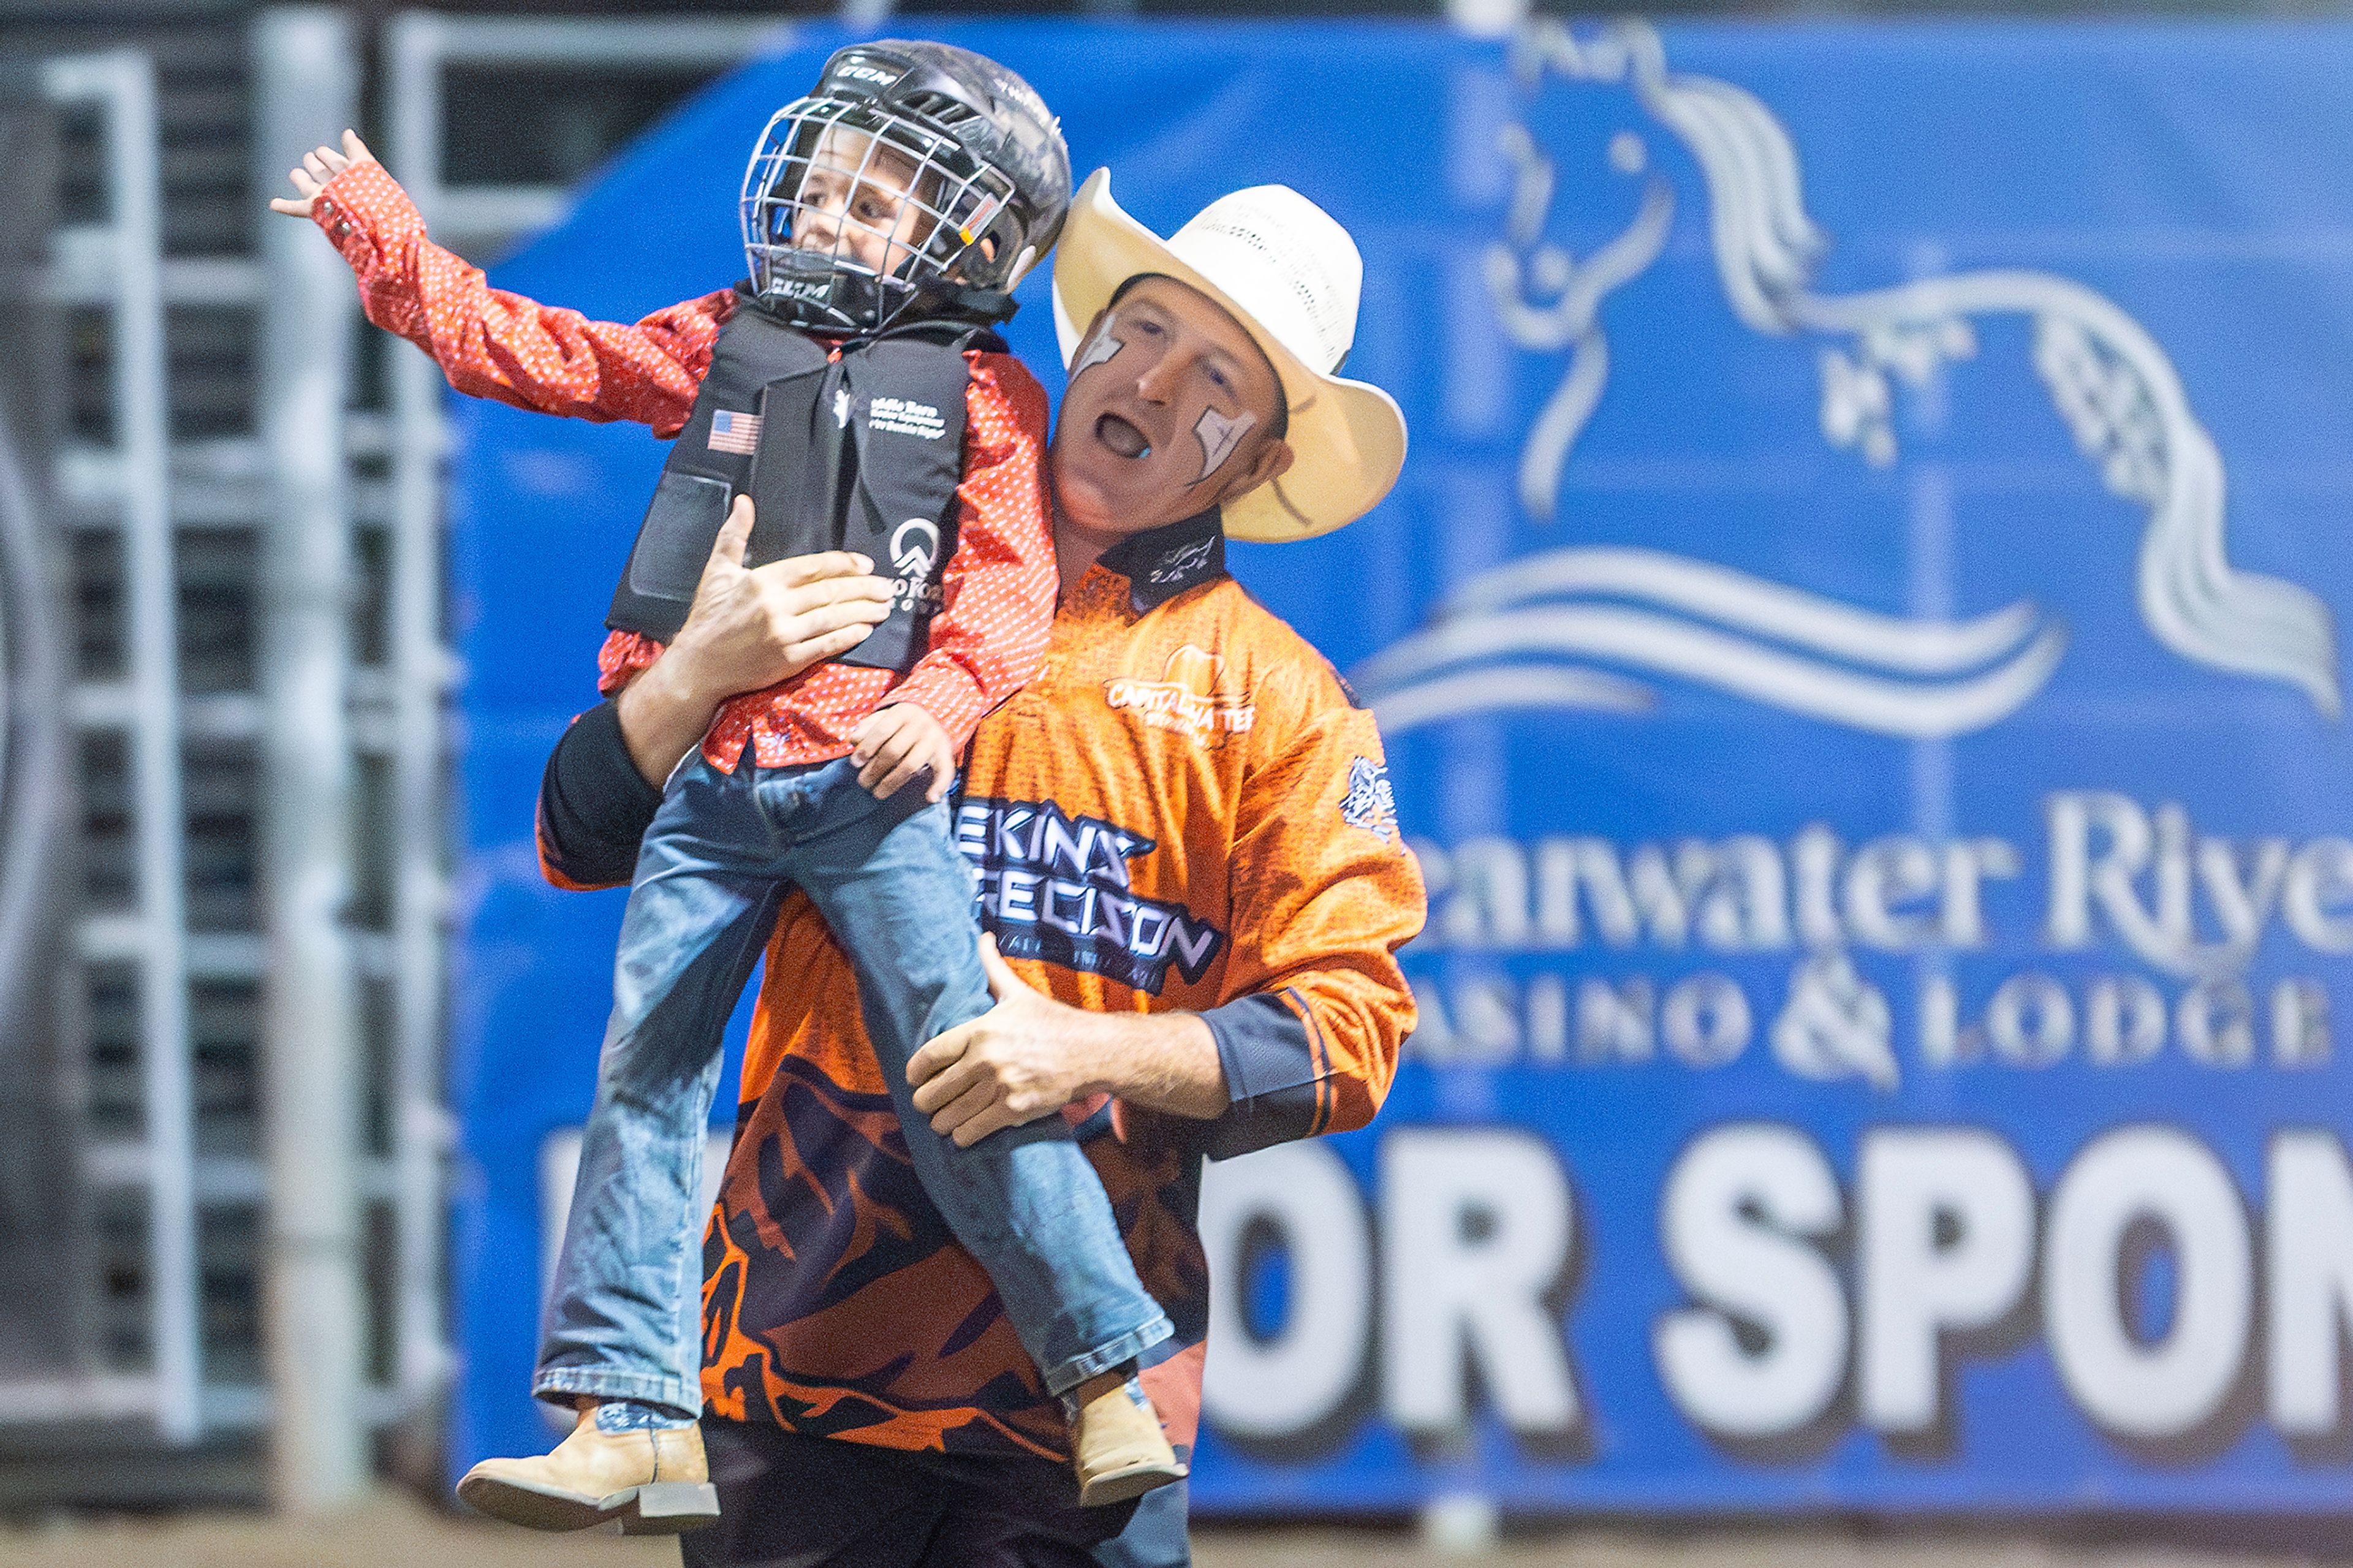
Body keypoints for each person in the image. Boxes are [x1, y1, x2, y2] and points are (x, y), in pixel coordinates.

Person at [270, 42, 1189, 1532]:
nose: (825, 214)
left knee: (964, 1077)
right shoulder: (722, 336)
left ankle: (1100, 1377)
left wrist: (943, 704)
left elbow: (1007, 597)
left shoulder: (988, 401)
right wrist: (383, 228)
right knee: (645, 1079)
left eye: (871, 198)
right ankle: (629, 1408)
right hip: (717, 777)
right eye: (819, 182)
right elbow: (539, 350)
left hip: (870, 786)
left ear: (965, 238)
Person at [538, 168, 1423, 1567]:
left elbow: (1345, 1038)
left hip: (1085, 1423)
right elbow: (581, 838)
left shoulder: (1289, 702)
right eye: (1138, 330)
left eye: (1215, 376)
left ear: (1257, 461)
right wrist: (695, 674)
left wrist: (1083, 1048)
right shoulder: (844, 575)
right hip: (790, 1362)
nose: (1150, 377)